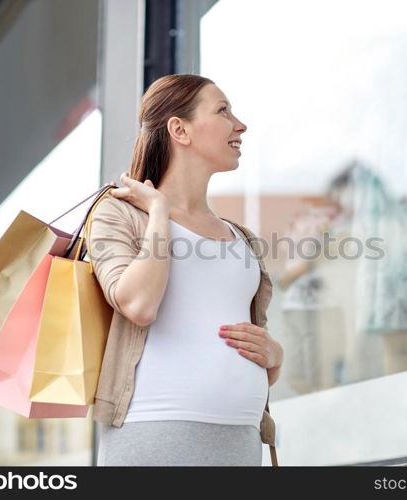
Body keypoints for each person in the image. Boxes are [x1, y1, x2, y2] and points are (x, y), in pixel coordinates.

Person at [89, 74, 283, 466]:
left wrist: (274, 355)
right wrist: (159, 211)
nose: (239, 125)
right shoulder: (119, 214)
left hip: (241, 439)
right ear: (179, 129)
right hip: (157, 434)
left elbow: (236, 343)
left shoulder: (241, 238)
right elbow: (140, 305)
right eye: (223, 111)